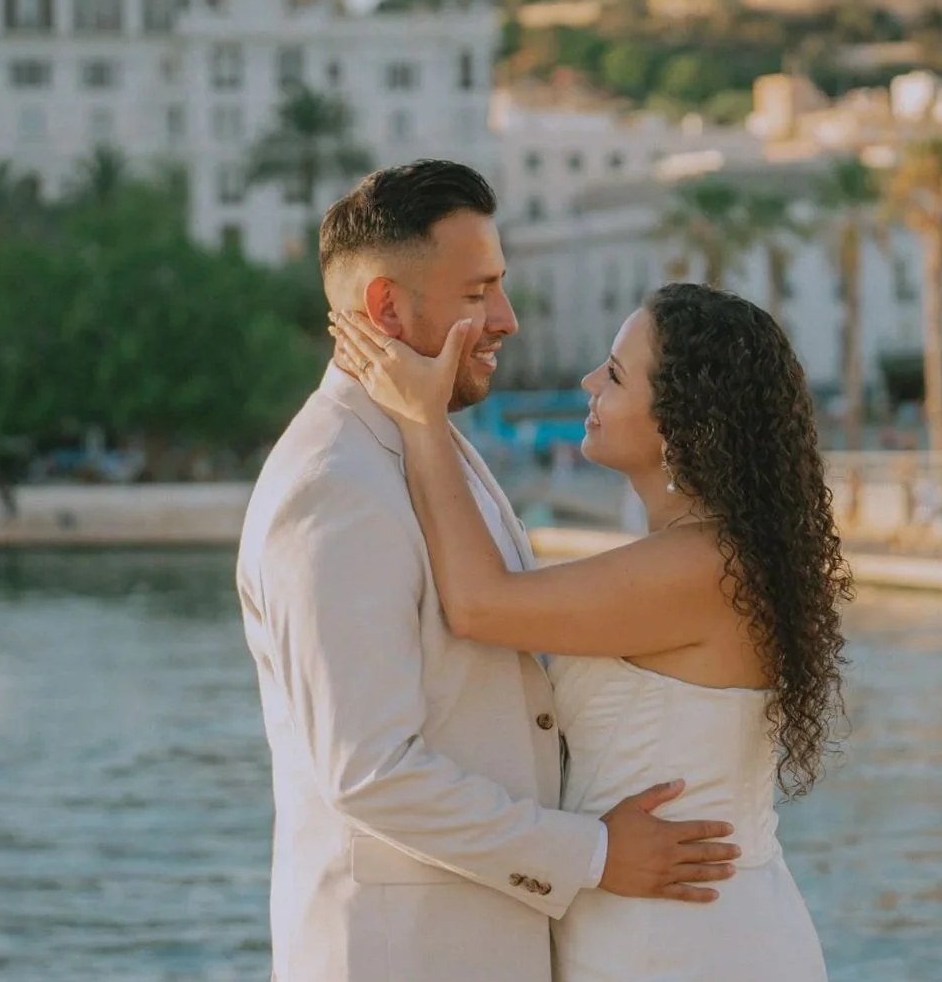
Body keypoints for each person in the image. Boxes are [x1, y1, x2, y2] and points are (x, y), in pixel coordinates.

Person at [236, 162, 741, 982]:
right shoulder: (333, 484)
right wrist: (595, 852)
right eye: (477, 293)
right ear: (385, 308)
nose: (505, 318)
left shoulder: (423, 440)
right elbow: (368, 770)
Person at [333, 280, 844, 981]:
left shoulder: (703, 565)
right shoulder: (711, 553)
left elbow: (479, 604)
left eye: (614, 373)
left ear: (678, 420)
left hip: (683, 937)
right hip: (663, 917)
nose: (586, 381)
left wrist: (420, 419)